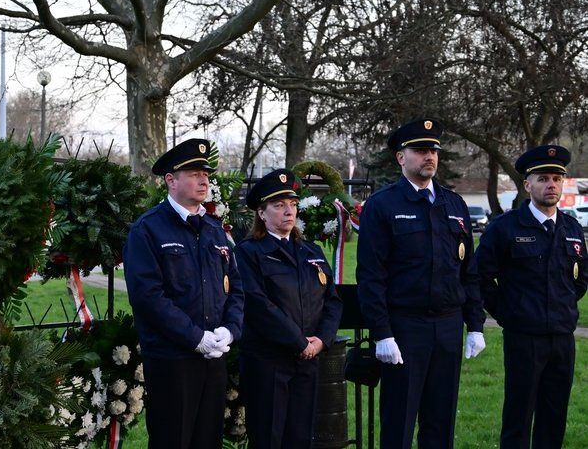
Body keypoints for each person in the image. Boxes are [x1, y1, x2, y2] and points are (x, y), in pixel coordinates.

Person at [356, 118, 486, 449]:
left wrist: (475, 325)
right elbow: (371, 275)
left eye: (433, 151)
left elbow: (468, 270)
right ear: (401, 157)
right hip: (405, 327)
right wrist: (382, 333)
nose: (429, 156)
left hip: (448, 325)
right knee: (399, 420)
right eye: (420, 150)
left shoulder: (453, 204)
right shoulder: (383, 205)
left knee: (441, 420)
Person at [124, 138, 243, 449]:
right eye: (193, 174)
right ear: (170, 180)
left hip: (213, 359)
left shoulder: (215, 229)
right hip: (172, 361)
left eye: (205, 174)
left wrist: (230, 330)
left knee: (208, 441)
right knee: (172, 440)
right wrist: (195, 338)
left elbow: (235, 287)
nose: (204, 180)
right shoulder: (148, 229)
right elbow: (148, 297)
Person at [476, 145, 588, 448]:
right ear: (528, 185)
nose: (551, 184)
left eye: (557, 179)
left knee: (554, 417)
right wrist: (509, 312)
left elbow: (580, 279)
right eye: (543, 179)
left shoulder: (571, 228)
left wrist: (562, 306)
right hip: (524, 337)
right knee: (519, 415)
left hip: (562, 338)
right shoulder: (505, 227)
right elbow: (480, 277)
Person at [236, 169, 342, 449]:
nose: (289, 211)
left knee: (300, 438)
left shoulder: (311, 252)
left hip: (307, 360)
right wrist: (298, 342)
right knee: (268, 438)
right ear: (261, 213)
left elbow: (332, 301)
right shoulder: (249, 252)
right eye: (279, 205)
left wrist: (321, 341)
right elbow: (258, 305)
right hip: (268, 362)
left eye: (293, 204)